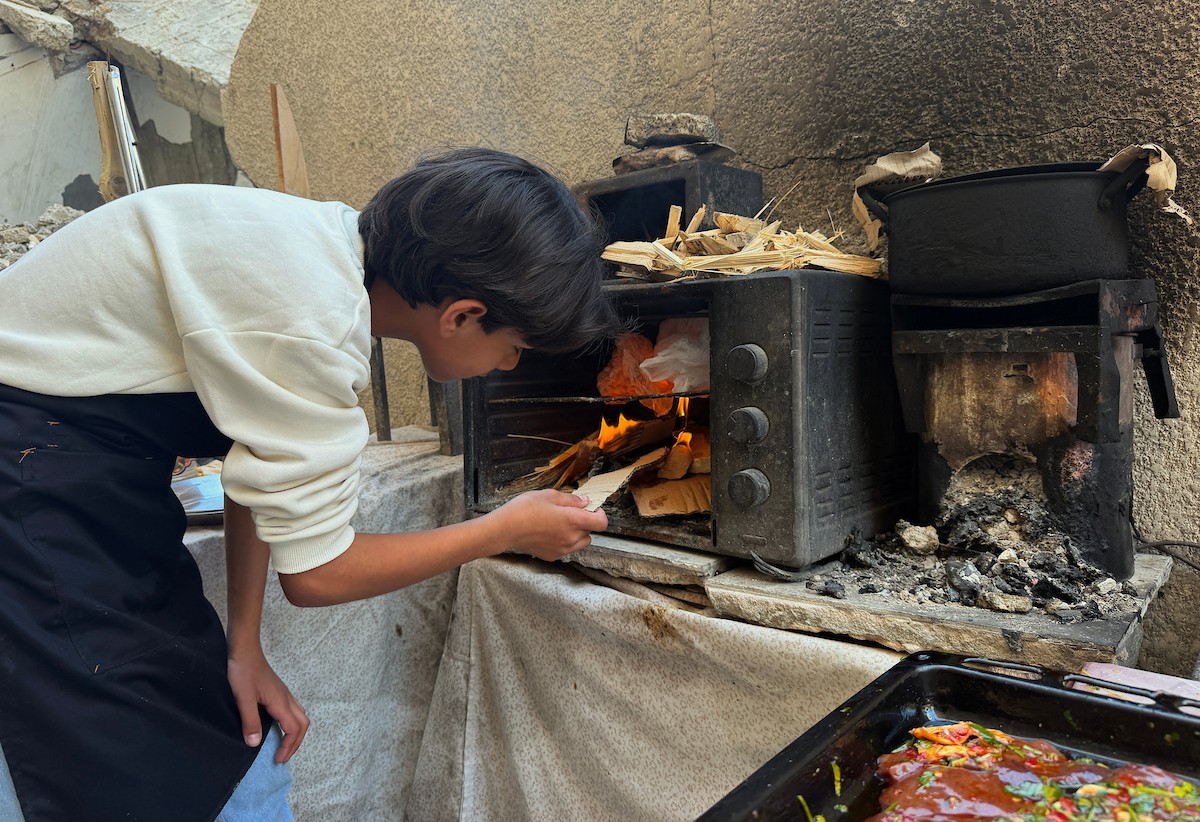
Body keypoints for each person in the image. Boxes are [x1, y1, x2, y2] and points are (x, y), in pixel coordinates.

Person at [0, 147, 618, 821]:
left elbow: (259, 461)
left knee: (201, 721)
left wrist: (243, 646)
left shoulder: (321, 250)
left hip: (73, 463)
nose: (507, 364)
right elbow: (317, 574)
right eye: (517, 348)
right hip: (31, 476)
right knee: (137, 756)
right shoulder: (315, 323)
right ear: (463, 314)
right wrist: (505, 529)